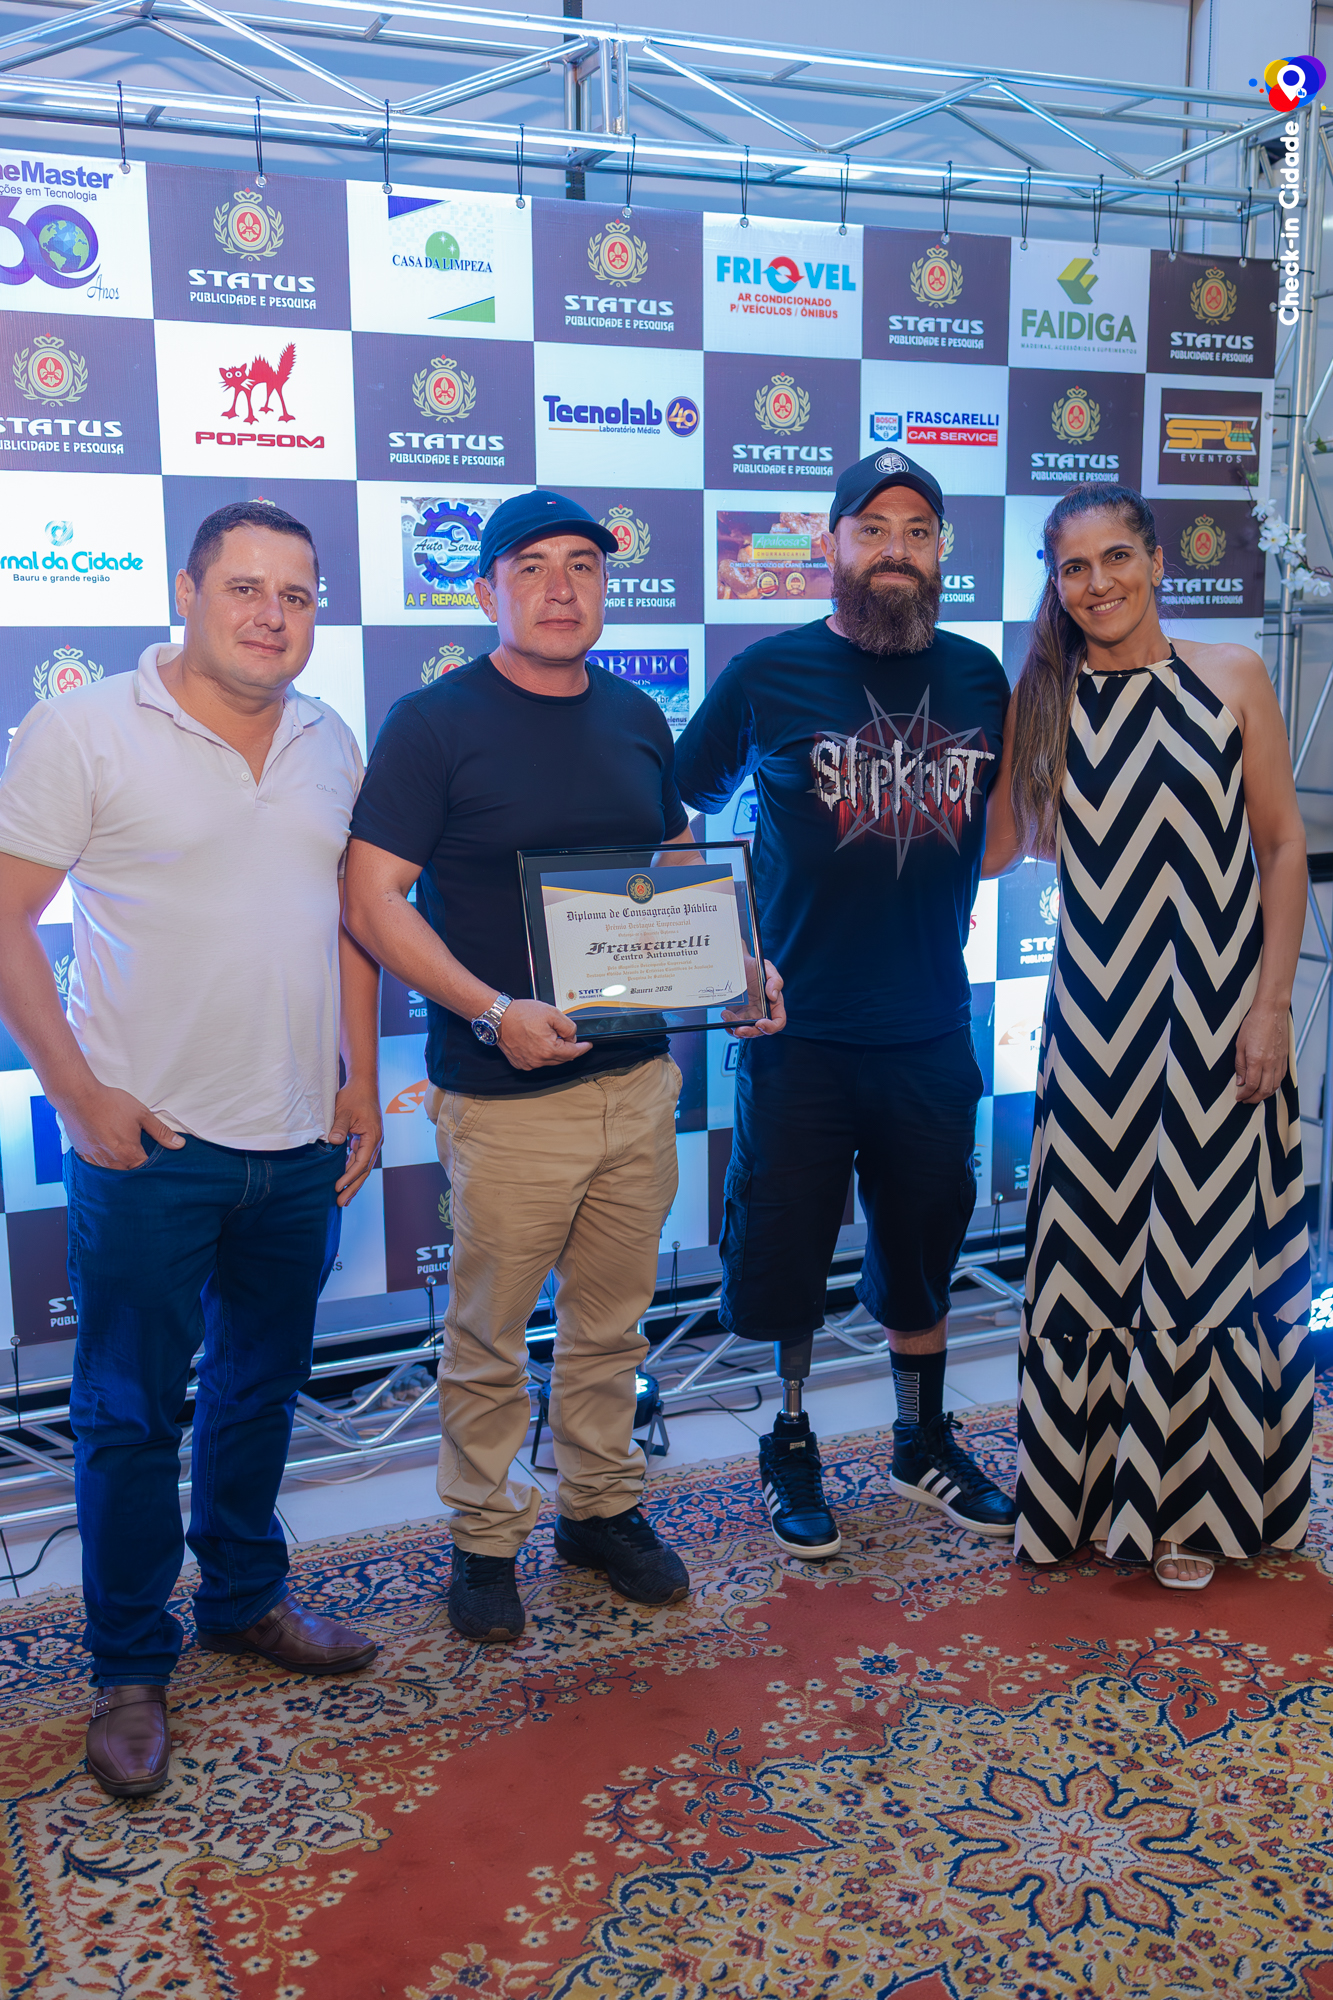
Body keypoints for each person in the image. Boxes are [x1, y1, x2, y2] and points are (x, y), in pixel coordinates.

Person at [344, 489, 785, 1642]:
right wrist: (494, 1011)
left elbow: (673, 851)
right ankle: (486, 1537)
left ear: (604, 585)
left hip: (636, 1081)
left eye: (582, 564)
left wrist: (734, 961)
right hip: (505, 1097)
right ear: (484, 588)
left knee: (611, 1324)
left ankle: (599, 1509)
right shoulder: (431, 723)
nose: (559, 586)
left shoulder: (636, 713)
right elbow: (371, 897)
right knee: (489, 1335)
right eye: (531, 565)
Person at [0, 500, 384, 1797]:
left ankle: (244, 1597)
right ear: (187, 590)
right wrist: (78, 1095)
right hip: (147, 1148)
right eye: (245, 589)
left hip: (298, 1141)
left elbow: (352, 922)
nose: (273, 615)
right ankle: (127, 1666)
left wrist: (361, 1082)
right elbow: (7, 918)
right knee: (126, 1413)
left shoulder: (331, 738)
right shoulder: (83, 728)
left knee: (259, 1389)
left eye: (297, 594)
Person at [674, 449, 1015, 1559]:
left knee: (922, 1247)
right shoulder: (768, 671)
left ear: (941, 552)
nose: (894, 551)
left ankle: (921, 1442)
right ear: (832, 546)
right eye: (872, 530)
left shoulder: (978, 677)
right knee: (784, 1258)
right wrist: (726, 957)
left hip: (928, 1026)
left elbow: (1004, 830)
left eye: (917, 532)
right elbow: (675, 805)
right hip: (797, 1034)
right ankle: (790, 1440)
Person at [982, 484, 1311, 1590]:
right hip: (1094, 1030)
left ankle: (1188, 1510)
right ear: (1054, 582)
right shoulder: (1045, 696)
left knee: (1203, 1261)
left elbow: (1280, 847)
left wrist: (1270, 1006)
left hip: (1219, 1022)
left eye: (1116, 556)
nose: (1098, 583)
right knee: (1089, 1257)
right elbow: (1001, 852)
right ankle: (1079, 1494)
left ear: (1157, 560)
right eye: (1072, 567)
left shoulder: (1231, 676)